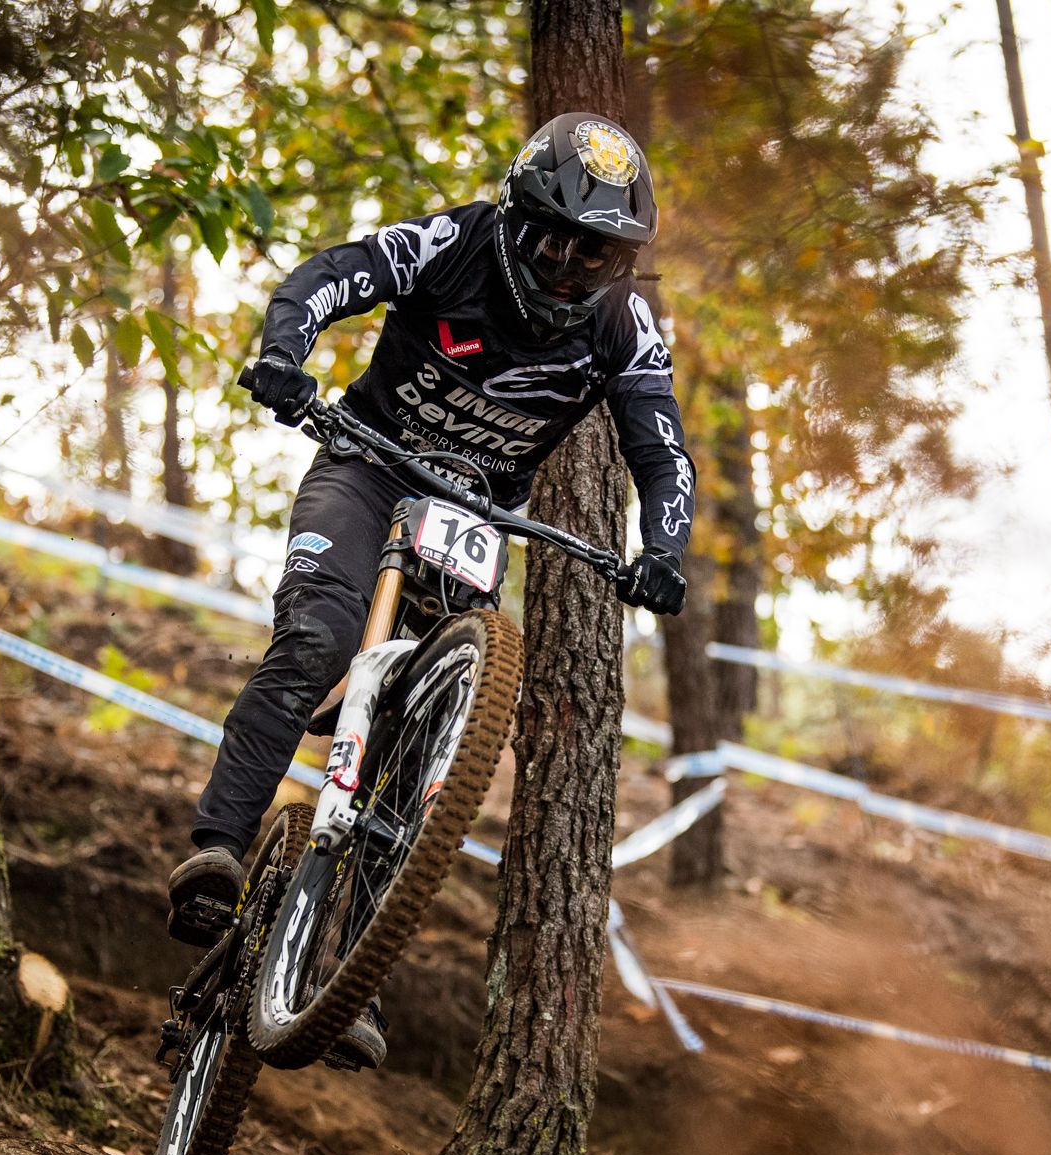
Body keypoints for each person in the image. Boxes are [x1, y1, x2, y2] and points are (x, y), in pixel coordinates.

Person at [165, 111, 697, 1068]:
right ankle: (220, 845)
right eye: (556, 246)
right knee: (319, 637)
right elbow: (331, 274)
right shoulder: (457, 241)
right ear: (517, 218)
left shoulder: (624, 323)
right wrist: (285, 354)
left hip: (477, 513)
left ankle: (352, 973)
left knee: (425, 747)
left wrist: (662, 548)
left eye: (597, 258)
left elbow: (661, 450)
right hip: (367, 467)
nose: (570, 274)